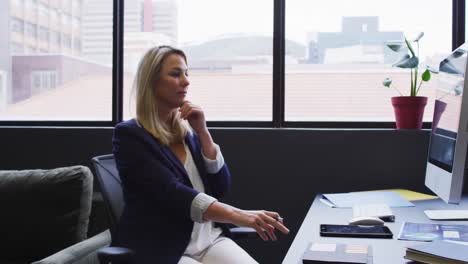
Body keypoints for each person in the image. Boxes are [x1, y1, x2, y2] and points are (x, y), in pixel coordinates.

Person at [112, 45, 289, 264]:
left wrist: (203, 132)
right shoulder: (130, 135)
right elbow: (173, 193)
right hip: (164, 248)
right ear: (152, 81)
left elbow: (220, 187)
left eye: (186, 73)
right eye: (176, 74)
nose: (186, 81)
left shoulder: (188, 134)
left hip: (209, 239)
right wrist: (239, 215)